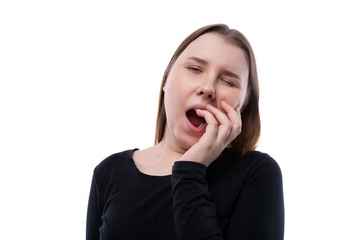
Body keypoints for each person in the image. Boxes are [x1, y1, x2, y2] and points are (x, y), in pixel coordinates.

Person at [86, 23, 285, 240]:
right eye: (195, 69)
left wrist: (190, 171)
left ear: (243, 106)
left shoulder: (256, 173)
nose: (208, 88)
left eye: (228, 81)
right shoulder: (108, 172)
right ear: (165, 81)